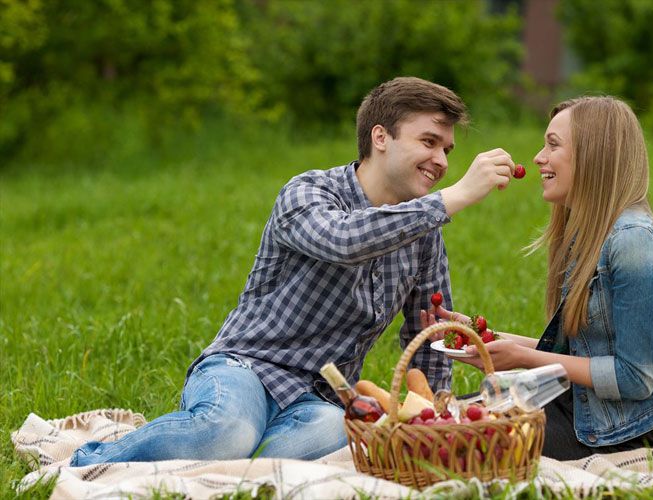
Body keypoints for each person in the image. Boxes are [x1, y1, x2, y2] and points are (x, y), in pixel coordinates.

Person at [70, 76, 522, 466]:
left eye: (447, 149)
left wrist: (434, 415)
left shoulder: (425, 232)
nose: (442, 161)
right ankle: (90, 461)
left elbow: (428, 334)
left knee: (312, 449)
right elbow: (343, 240)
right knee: (229, 432)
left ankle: (216, 468)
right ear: (380, 137)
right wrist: (456, 196)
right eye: (429, 142)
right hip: (246, 366)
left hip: (323, 396)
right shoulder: (308, 192)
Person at [424, 96, 653, 460]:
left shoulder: (634, 242)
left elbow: (635, 378)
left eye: (553, 144)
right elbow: (582, 354)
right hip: (575, 408)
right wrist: (486, 338)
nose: (538, 157)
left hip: (614, 432)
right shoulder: (592, 234)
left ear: (593, 155)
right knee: (433, 423)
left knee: (442, 445)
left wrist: (521, 357)